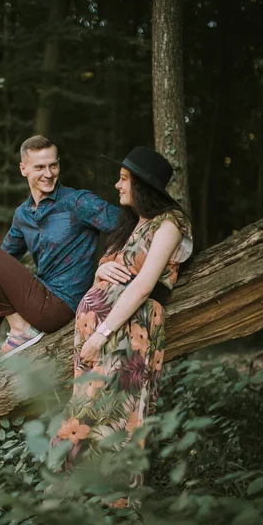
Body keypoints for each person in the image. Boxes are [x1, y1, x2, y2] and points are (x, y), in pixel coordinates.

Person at [50, 146, 193, 493]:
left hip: (129, 332)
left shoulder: (171, 223)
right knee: (82, 413)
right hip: (98, 332)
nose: (116, 185)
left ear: (143, 185)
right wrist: (101, 266)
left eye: (124, 179)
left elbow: (144, 284)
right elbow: (110, 270)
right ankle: (69, 505)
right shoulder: (131, 224)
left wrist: (101, 333)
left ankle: (116, 515)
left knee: (115, 420)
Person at [0, 135, 120, 380]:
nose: (48, 174)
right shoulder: (23, 214)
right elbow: (2, 257)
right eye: (39, 167)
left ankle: (17, 331)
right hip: (40, 299)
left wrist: (106, 262)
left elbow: (126, 224)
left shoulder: (77, 202)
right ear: (23, 169)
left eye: (53, 165)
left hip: (63, 305)